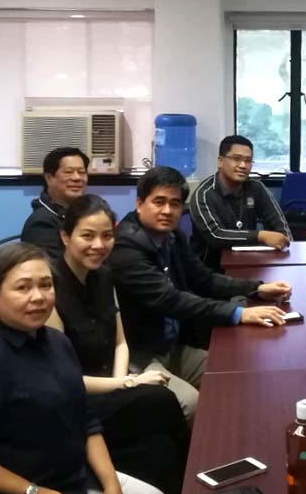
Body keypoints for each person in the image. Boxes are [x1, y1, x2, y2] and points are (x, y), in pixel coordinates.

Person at [0, 243, 170, 494]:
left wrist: (111, 485)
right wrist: (34, 493)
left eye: (46, 285)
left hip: (69, 478)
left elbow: (86, 419)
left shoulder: (57, 344)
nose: (38, 297)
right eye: (23, 288)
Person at [108, 167, 292, 414]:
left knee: (234, 370)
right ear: (140, 203)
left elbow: (203, 279)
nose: (167, 211)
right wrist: (238, 313)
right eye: (159, 202)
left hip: (172, 345)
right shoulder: (126, 247)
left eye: (175, 204)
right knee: (190, 403)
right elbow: (171, 300)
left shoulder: (171, 235)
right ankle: (193, 452)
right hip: (140, 353)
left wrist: (257, 289)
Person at [46, 194, 189, 494]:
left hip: (109, 386)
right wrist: (128, 386)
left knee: (161, 448)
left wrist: (123, 381)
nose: (99, 245)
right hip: (76, 402)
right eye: (87, 235)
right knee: (161, 400)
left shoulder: (104, 276)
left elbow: (120, 342)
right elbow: (64, 380)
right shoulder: (50, 290)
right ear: (65, 236)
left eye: (107, 236)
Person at [188, 135, 292, 269]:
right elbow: (216, 235)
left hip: (250, 264)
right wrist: (261, 236)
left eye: (248, 161)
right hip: (210, 271)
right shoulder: (203, 195)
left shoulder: (256, 188)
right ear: (220, 161)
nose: (243, 165)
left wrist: (286, 243)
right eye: (236, 159)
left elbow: (279, 224)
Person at [22, 147, 90, 259]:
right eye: (69, 172)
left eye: (82, 172)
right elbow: (54, 271)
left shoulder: (83, 210)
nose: (77, 178)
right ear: (49, 178)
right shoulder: (41, 223)